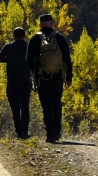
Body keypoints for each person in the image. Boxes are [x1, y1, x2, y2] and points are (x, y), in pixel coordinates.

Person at [27, 13, 73, 143]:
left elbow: (28, 60)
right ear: (52, 23)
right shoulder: (59, 38)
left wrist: (35, 74)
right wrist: (68, 78)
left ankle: (50, 134)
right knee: (56, 104)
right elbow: (67, 59)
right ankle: (57, 132)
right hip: (58, 77)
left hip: (42, 78)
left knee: (46, 105)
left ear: (40, 24)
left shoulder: (35, 39)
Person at [0, 25, 32, 139]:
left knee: (15, 108)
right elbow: (34, 60)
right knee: (25, 106)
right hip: (25, 80)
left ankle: (19, 132)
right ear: (24, 36)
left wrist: (10, 60)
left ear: (13, 36)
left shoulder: (8, 47)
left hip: (12, 81)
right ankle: (25, 132)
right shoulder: (28, 46)